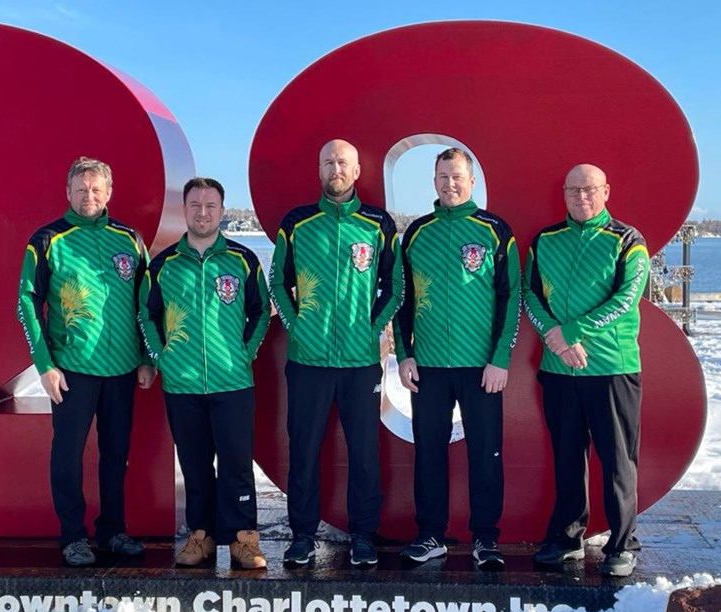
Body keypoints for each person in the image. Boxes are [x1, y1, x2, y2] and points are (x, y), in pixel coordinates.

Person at [268, 139, 403, 566]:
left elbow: (396, 286)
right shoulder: (298, 222)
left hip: (361, 363)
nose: (336, 168)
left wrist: (373, 328)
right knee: (304, 450)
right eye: (328, 161)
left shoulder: (379, 224)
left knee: (364, 452)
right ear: (320, 169)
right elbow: (276, 283)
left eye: (343, 162)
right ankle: (303, 535)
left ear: (357, 170)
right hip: (307, 362)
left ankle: (363, 534)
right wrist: (297, 325)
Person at [17, 156, 155, 566]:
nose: (89, 196)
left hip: (123, 369)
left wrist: (147, 357)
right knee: (68, 454)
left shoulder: (129, 239)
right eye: (81, 190)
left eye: (96, 190)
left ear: (108, 193)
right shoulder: (47, 240)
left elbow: (146, 303)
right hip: (72, 370)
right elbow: (27, 300)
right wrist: (44, 364)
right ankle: (72, 536)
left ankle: (112, 531)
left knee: (116, 454)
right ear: (69, 193)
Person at [392, 148, 520, 569]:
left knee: (486, 452)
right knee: (428, 452)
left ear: (472, 181)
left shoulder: (495, 231)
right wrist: (405, 355)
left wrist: (500, 358)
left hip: (481, 367)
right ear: (434, 183)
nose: (451, 184)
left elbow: (510, 297)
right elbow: (402, 299)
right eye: (443, 176)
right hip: (427, 366)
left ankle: (486, 539)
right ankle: (430, 535)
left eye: (458, 176)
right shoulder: (417, 233)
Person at [522, 163, 648, 577]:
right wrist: (554, 336)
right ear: (564, 193)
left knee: (616, 460)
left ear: (606, 191)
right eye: (574, 190)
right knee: (567, 458)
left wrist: (571, 331)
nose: (581, 197)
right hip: (559, 372)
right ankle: (567, 537)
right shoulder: (545, 240)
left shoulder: (628, 240)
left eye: (590, 189)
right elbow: (530, 293)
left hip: (611, 368)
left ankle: (622, 543)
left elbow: (626, 299)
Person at [138, 177, 271, 569]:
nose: (202, 212)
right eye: (195, 204)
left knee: (235, 463)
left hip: (233, 382)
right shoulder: (163, 264)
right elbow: (147, 314)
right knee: (195, 464)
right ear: (186, 209)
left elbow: (261, 311)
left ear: (222, 210)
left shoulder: (242, 259)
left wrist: (244, 353)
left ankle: (244, 540)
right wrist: (161, 357)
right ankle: (202, 536)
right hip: (183, 384)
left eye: (210, 205)